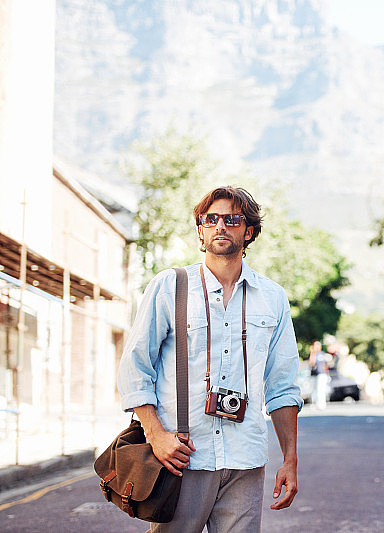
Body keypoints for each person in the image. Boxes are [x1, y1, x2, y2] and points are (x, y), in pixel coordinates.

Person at [117, 186, 303, 532]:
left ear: (248, 232)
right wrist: (156, 435)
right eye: (211, 218)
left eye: (232, 219)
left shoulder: (272, 297)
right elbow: (135, 368)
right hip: (182, 457)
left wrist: (290, 460)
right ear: (201, 230)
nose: (220, 225)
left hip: (245, 459)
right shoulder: (170, 286)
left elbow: (283, 386)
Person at [308, 340, 330, 409]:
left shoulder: (322, 354)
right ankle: (314, 403)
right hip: (314, 374)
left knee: (321, 389)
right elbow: (311, 363)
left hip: (322, 374)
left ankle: (321, 404)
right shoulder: (313, 354)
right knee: (314, 390)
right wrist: (312, 352)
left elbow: (325, 365)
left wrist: (327, 374)